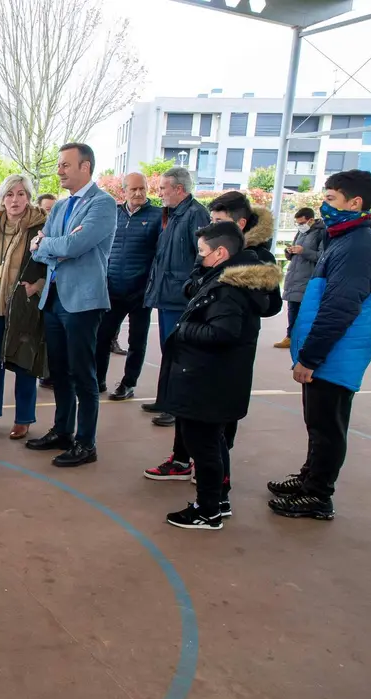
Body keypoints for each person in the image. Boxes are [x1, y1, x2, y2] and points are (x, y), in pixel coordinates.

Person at [145, 190, 283, 483]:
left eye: (219, 220)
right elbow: (192, 283)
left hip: (227, 349)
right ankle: (182, 459)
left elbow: (271, 305)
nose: (213, 225)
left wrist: (236, 292)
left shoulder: (256, 259)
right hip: (200, 348)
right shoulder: (211, 254)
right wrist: (202, 288)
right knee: (189, 408)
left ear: (240, 223)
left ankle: (216, 481)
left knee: (218, 420)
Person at [269, 170, 371, 520]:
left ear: (355, 202)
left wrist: (311, 357)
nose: (323, 205)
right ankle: (309, 478)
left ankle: (318, 495)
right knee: (318, 423)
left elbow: (340, 307)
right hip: (330, 352)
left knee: (327, 426)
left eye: (330, 198)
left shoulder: (358, 246)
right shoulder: (343, 240)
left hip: (336, 354)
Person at [161, 221, 282, 530]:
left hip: (208, 378)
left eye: (202, 252)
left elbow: (223, 332)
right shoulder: (230, 280)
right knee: (212, 442)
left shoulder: (227, 289)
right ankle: (216, 501)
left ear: (220, 252)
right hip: (218, 377)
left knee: (202, 444)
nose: (198, 257)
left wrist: (183, 329)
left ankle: (207, 510)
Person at [27, 143, 116, 468]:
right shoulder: (62, 207)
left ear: (86, 166)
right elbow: (38, 249)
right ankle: (63, 431)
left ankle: (85, 442)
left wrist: (49, 244)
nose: (59, 171)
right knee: (59, 373)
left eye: (65, 165)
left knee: (83, 374)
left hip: (83, 303)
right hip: (54, 299)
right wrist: (52, 245)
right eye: (59, 165)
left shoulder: (103, 205)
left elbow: (76, 245)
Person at [0, 174, 48, 440]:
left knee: (24, 361)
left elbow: (53, 264)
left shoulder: (41, 226)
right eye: (10, 194)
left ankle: (23, 418)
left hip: (24, 307)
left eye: (21, 194)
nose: (15, 200)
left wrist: (37, 286)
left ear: (28, 196)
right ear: (2, 198)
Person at [142, 166, 211, 427]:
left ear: (179, 189)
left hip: (180, 296)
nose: (159, 193)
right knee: (168, 350)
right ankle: (165, 399)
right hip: (167, 294)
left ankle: (177, 405)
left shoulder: (195, 214)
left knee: (179, 352)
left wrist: (190, 288)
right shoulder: (173, 215)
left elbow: (202, 256)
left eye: (163, 188)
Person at [97, 172, 160, 401]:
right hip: (112, 290)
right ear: (124, 191)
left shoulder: (157, 216)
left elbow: (161, 254)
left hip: (141, 292)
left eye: (142, 188)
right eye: (133, 189)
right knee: (101, 337)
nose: (138, 193)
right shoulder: (113, 213)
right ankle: (98, 380)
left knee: (137, 341)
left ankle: (128, 383)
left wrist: (151, 286)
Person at [276, 207, 327, 349]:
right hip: (295, 274)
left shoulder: (322, 232)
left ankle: (300, 338)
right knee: (292, 308)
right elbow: (294, 250)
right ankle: (290, 336)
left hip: (308, 277)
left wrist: (303, 251)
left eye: (301, 223)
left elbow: (322, 256)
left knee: (305, 310)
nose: (299, 226)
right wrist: (289, 251)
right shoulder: (301, 232)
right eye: (297, 223)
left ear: (310, 220)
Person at [36, 192, 57, 390]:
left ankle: (51, 373)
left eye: (54, 209)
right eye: (48, 209)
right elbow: (35, 256)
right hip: (37, 292)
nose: (51, 213)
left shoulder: (57, 230)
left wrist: (43, 247)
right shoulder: (35, 228)